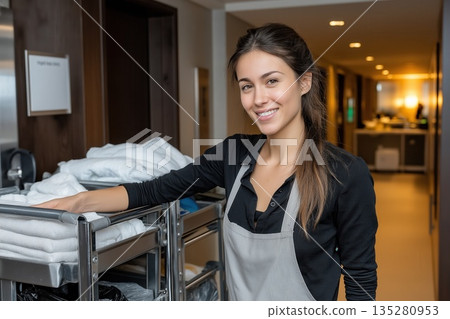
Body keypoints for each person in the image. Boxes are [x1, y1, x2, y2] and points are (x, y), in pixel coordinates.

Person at [35, 23, 377, 301]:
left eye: (272, 81)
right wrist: (77, 201)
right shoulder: (233, 155)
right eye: (247, 86)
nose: (258, 99)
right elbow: (153, 191)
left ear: (304, 82)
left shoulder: (346, 173)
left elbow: (360, 278)